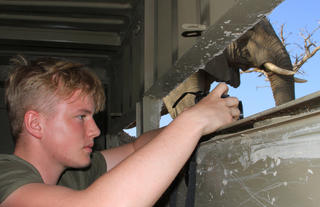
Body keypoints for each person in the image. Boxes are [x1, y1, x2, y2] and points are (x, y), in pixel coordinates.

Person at [0, 56, 240, 206]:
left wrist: (191, 126)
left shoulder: (75, 173)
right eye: (81, 117)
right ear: (35, 124)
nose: (94, 130)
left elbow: (138, 146)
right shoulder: (5, 176)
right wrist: (193, 122)